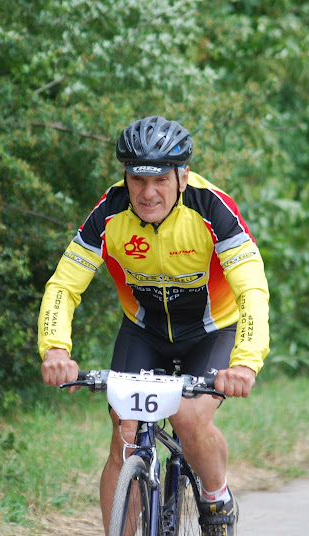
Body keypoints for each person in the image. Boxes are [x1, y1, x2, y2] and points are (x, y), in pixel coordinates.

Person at [38, 115, 270, 536]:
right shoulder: (109, 213)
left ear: (182, 176)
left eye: (160, 179)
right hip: (144, 332)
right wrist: (55, 349)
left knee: (189, 418)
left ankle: (215, 495)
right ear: (125, 177)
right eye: (137, 179)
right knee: (124, 433)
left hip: (212, 331)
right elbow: (63, 286)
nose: (148, 193)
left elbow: (252, 288)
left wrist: (245, 364)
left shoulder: (212, 208)